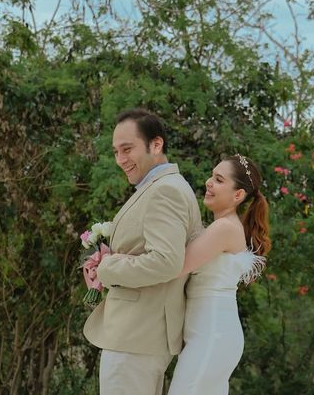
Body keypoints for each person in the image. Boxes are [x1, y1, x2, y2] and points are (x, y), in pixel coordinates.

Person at [112, 154, 271, 394]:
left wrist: (116, 262)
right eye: (212, 176)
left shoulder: (224, 228)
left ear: (238, 195)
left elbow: (173, 267)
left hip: (212, 334)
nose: (209, 182)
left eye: (218, 180)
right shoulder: (219, 228)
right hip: (207, 332)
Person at [83, 108, 202, 395]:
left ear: (156, 144)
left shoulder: (166, 191)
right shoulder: (158, 187)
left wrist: (107, 268)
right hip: (137, 337)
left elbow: (166, 261)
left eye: (127, 149)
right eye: (116, 152)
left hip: (137, 338)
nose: (121, 159)